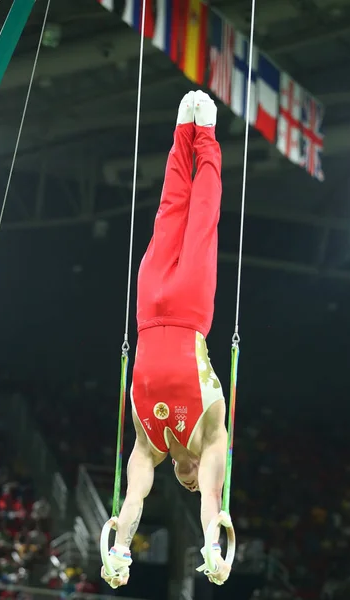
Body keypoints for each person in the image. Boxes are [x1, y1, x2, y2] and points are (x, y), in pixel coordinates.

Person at [101, 90, 230, 588]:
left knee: (170, 211)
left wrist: (118, 551)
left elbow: (131, 501)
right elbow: (213, 504)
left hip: (150, 312)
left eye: (189, 482)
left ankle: (182, 133)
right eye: (194, 482)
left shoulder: (146, 446)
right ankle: (207, 136)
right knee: (201, 222)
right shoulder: (213, 434)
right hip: (191, 311)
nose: (191, 483)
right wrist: (213, 548)